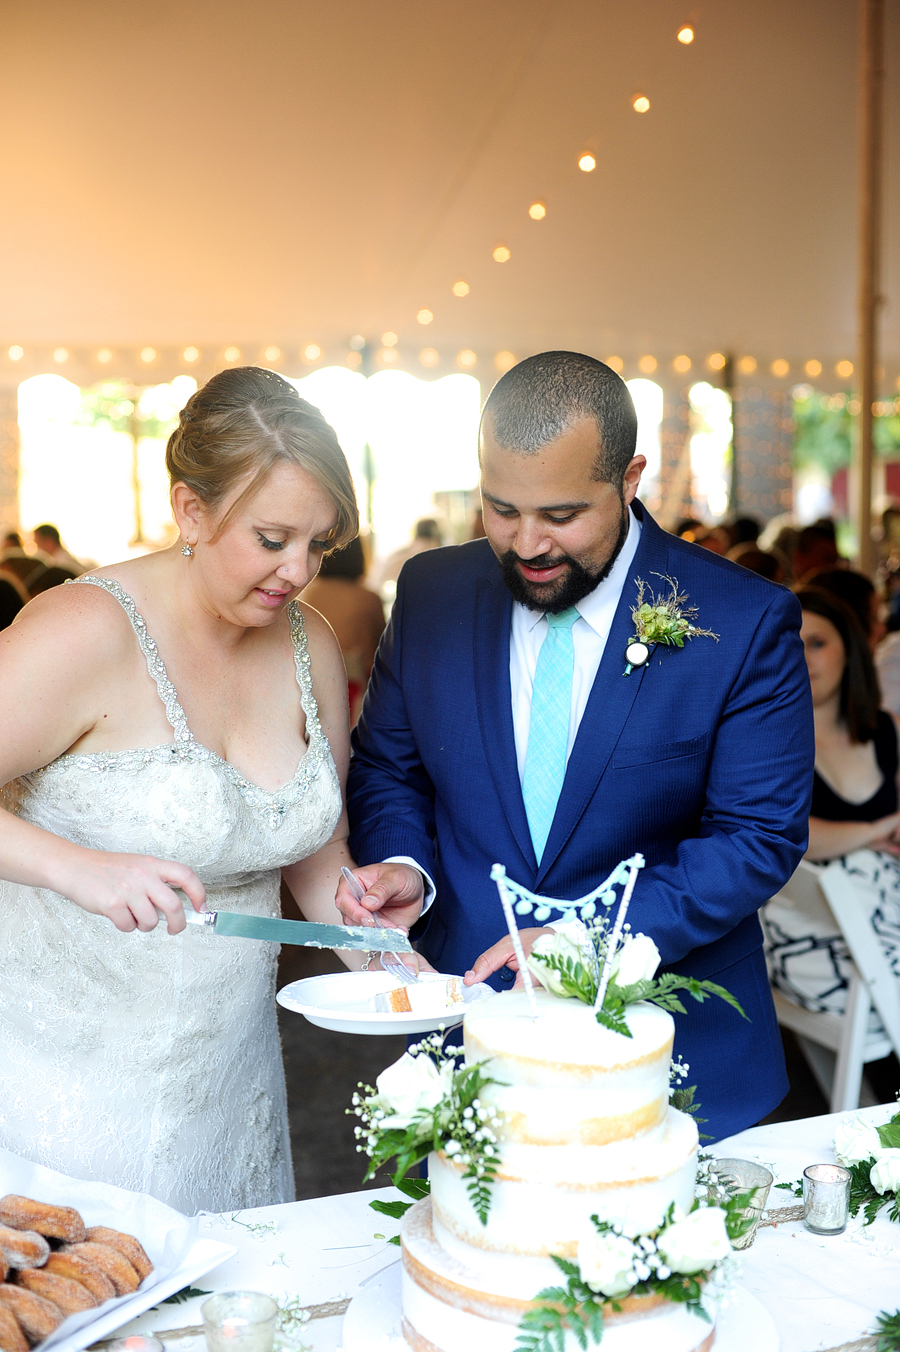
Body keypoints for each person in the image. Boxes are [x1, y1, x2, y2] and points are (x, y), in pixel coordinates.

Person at [338, 351, 815, 1142]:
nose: (527, 544)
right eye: (502, 509)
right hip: (471, 1043)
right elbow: (393, 767)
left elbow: (756, 837)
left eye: (562, 516)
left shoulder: (744, 620)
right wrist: (405, 866)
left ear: (629, 480)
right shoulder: (431, 594)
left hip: (675, 1063)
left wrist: (593, 940)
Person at [0, 366, 362, 1214]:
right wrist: (74, 867)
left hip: (228, 1091)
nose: (298, 571)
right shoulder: (84, 631)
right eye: (272, 539)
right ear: (190, 510)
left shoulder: (310, 641)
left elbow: (310, 846)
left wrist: (372, 934)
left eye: (321, 545)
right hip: (54, 1089)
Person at [762, 588, 900, 1084]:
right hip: (814, 946)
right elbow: (790, 835)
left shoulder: (890, 731)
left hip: (875, 933)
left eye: (816, 642)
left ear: (851, 649)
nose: (801, 656)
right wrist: (879, 828)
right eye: (789, 642)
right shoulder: (768, 740)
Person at [301, 535, 385, 723]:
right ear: (360, 557)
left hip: (307, 689)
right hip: (357, 698)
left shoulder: (306, 594)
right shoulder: (368, 598)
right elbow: (383, 651)